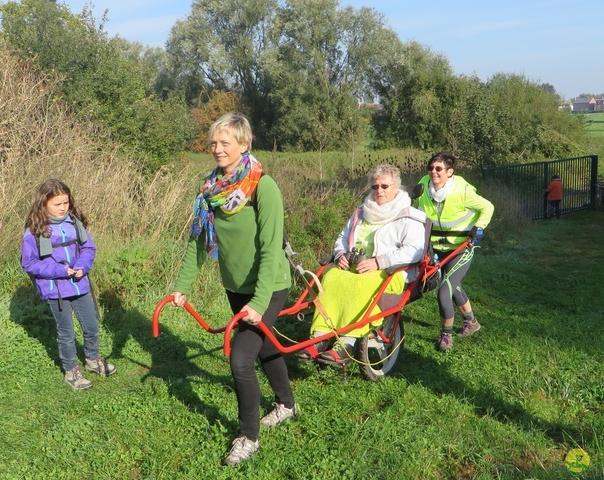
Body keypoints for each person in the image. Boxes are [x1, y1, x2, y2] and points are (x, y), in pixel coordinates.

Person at [170, 113, 296, 467]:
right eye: (213, 142)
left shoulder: (262, 186)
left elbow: (272, 248)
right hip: (235, 287)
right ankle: (286, 404)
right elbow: (199, 242)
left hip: (268, 287)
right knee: (265, 344)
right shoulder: (210, 189)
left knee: (240, 358)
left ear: (244, 144)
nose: (217, 149)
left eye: (226, 142)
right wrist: (181, 288)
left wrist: (258, 302)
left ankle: (248, 437)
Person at [296, 165, 426, 365]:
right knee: (331, 277)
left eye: (385, 186)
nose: (379, 191)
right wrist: (340, 254)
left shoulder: (410, 216)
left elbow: (415, 250)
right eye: (375, 186)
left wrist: (379, 262)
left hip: (391, 271)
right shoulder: (361, 211)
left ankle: (347, 342)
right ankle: (320, 336)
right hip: (356, 266)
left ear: (396, 187)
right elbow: (343, 237)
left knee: (361, 285)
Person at [21, 179, 116, 390]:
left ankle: (92, 360)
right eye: (58, 204)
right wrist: (61, 271)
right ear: (43, 204)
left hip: (80, 284)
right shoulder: (34, 231)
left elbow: (88, 249)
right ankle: (71, 371)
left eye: (66, 202)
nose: (63, 207)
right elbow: (29, 264)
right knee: (66, 332)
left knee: (91, 325)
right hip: (56, 291)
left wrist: (83, 266)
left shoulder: (74, 223)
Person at [415, 152, 494, 352]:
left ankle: (446, 335)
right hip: (435, 249)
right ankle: (471, 322)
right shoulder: (423, 186)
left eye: (439, 169)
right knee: (452, 285)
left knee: (444, 292)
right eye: (431, 168)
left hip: (461, 247)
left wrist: (480, 228)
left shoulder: (462, 191)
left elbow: (488, 207)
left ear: (450, 172)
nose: (433, 172)